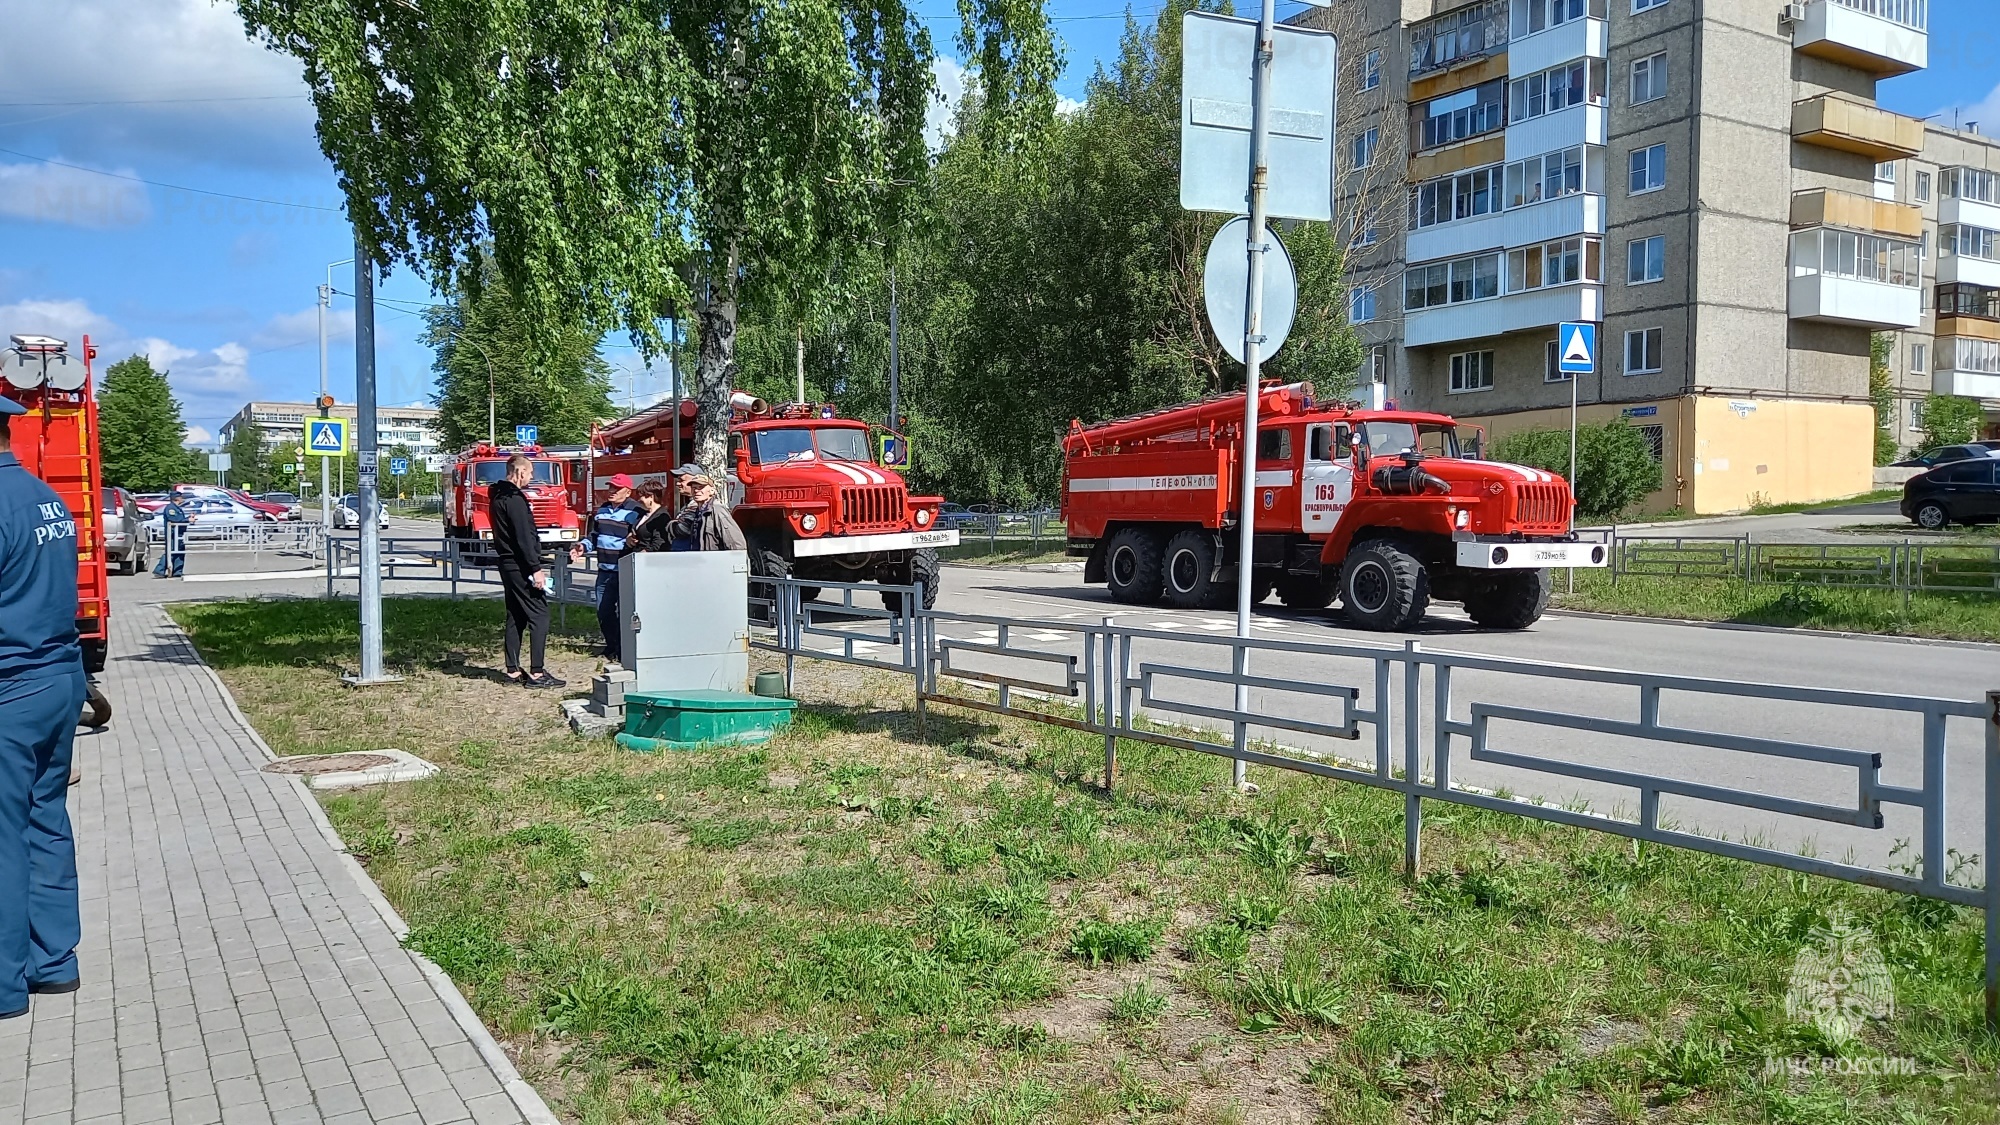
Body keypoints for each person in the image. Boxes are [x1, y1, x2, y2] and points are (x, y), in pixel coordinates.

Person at [0, 396, 88, 1020]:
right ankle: (54, 964)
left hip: (10, 692)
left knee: (6, 837)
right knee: (45, 818)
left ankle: (5, 987)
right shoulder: (47, 501)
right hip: (60, 682)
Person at [487, 454, 564, 688]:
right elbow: (523, 538)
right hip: (520, 565)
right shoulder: (514, 499)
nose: (531, 477)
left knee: (516, 615)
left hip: (507, 563)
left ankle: (512, 670)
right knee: (540, 615)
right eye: (530, 473)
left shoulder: (497, 496)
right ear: (520, 472)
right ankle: (537, 673)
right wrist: (536, 568)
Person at [573, 474, 641, 663]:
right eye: (610, 487)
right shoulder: (602, 510)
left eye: (616, 489)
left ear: (627, 492)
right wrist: (582, 546)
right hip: (604, 570)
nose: (611, 491)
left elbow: (639, 539)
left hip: (624, 570)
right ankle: (611, 646)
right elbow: (594, 536)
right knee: (603, 610)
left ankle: (623, 649)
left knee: (625, 612)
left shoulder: (635, 511)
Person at [666, 465, 747, 552]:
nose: (697, 491)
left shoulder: (717, 510)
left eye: (701, 488)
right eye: (694, 488)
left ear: (712, 491)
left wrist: (736, 562)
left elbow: (735, 543)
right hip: (701, 561)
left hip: (714, 562)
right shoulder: (699, 511)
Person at [627, 481, 674, 553]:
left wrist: (643, 554)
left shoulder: (662, 517)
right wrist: (630, 537)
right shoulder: (643, 513)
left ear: (651, 496)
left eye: (641, 496)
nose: (638, 500)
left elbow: (659, 542)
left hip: (648, 560)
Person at [151, 492, 189, 578]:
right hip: (172, 534)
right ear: (176, 498)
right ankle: (159, 571)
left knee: (179, 552)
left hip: (178, 533)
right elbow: (174, 519)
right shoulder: (170, 508)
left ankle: (177, 571)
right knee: (170, 552)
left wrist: (187, 519)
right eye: (180, 497)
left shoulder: (177, 508)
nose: (182, 498)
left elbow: (180, 519)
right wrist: (187, 520)